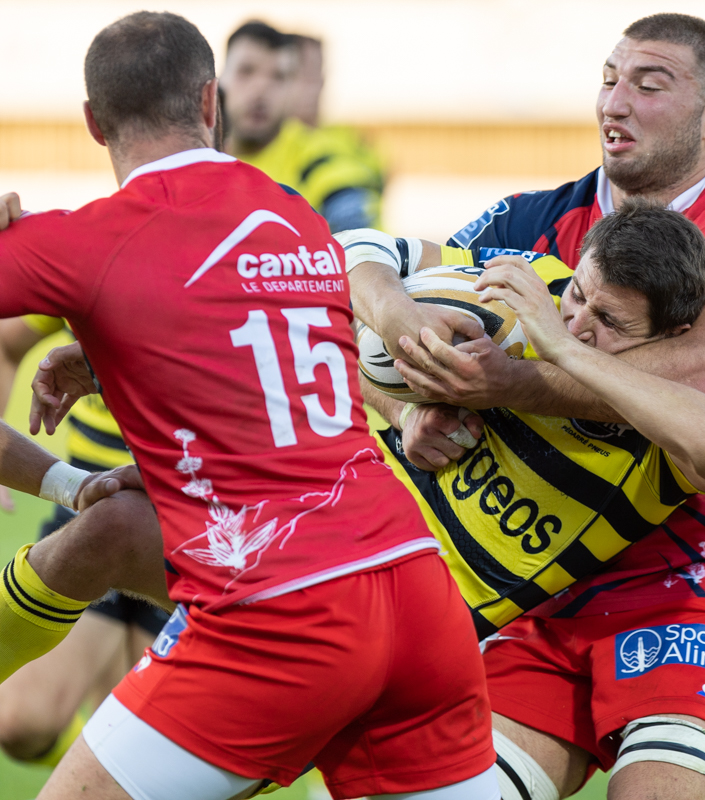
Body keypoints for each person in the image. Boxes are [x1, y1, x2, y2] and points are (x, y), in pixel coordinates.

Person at [0, 12, 496, 800]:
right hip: (416, 592)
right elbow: (249, 335)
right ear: (210, 102)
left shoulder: (85, 238)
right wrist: (109, 361)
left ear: (93, 124)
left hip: (277, 612)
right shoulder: (294, 213)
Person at [352, 13, 705, 800]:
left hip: (689, 591)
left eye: (648, 84)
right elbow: (358, 280)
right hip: (536, 596)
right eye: (608, 79)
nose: (614, 102)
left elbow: (703, 378)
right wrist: (407, 399)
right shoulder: (528, 219)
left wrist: (501, 382)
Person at [0, 315, 169, 768]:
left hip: (191, 520)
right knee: (18, 722)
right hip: (91, 503)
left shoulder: (237, 262)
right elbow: (7, 344)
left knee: (140, 753)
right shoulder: (79, 252)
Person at [221, 21, 386, 233]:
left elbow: (366, 245)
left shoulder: (323, 161)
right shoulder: (190, 155)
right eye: (246, 71)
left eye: (278, 77)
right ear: (219, 79)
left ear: (292, 89)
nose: (261, 89)